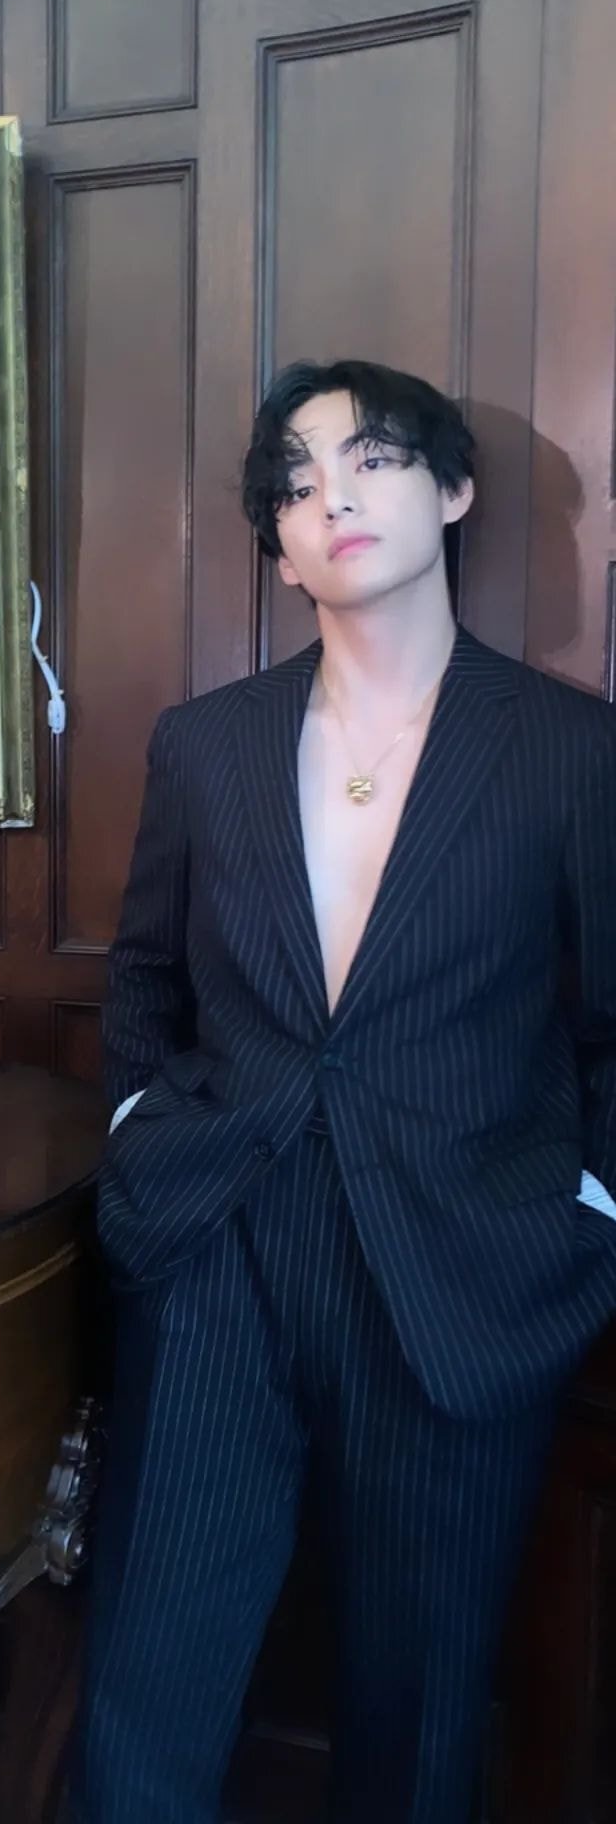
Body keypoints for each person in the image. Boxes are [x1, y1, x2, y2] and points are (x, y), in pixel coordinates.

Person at [69, 359, 616, 1822]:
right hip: (218, 1244)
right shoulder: (207, 744)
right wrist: (138, 1134)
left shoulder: (571, 752)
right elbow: (143, 978)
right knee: (149, 1677)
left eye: (372, 460)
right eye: (298, 482)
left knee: (420, 1710)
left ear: (454, 491)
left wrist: (587, 1213)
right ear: (280, 544)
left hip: (464, 1265)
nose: (334, 498)